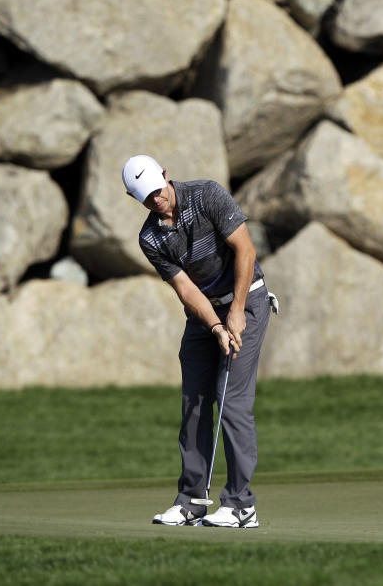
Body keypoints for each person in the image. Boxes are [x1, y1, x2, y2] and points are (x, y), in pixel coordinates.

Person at [121, 154, 277, 528]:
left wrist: (236, 312)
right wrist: (216, 326)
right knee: (194, 401)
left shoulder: (207, 195)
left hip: (247, 300)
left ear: (165, 176)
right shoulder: (150, 238)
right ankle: (192, 500)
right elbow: (186, 289)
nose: (155, 200)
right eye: (145, 198)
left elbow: (246, 250)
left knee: (231, 399)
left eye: (157, 191)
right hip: (205, 314)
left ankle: (241, 504)